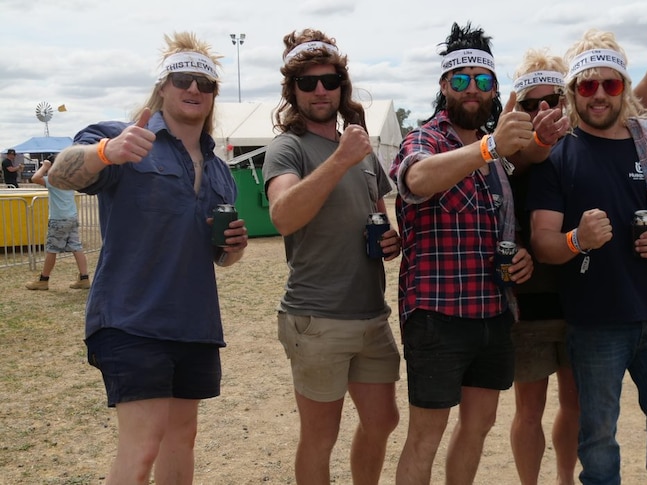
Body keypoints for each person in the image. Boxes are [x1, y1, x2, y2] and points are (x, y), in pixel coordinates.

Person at [48, 32, 248, 485]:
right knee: (142, 448)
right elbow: (60, 172)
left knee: (182, 441)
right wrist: (106, 153)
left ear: (214, 94)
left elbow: (220, 258)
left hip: (194, 324)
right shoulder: (122, 137)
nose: (193, 89)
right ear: (162, 87)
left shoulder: (220, 170)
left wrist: (233, 248)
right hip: (131, 320)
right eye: (182, 79)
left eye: (205, 82)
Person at [507, 24, 647, 485]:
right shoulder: (523, 146)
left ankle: (566, 481)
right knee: (532, 409)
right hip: (535, 290)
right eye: (530, 103)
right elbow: (511, 171)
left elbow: (636, 98)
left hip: (585, 298)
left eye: (551, 100)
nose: (542, 110)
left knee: (580, 408)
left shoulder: (591, 123)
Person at [388, 22, 536, 484]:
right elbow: (416, 179)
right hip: (437, 314)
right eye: (461, 80)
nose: (472, 89)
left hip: (494, 312)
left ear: (495, 89)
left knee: (478, 428)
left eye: (484, 80)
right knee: (425, 437)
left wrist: (523, 258)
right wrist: (490, 147)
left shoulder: (499, 153)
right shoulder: (426, 139)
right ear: (443, 86)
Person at [261, 29, 402, 485]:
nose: (319, 89)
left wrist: (391, 240)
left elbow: (378, 214)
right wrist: (340, 159)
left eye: (328, 80)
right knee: (320, 437)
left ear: (341, 85)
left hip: (369, 313)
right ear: (293, 91)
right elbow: (283, 216)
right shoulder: (290, 146)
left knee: (383, 422)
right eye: (307, 82)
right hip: (316, 316)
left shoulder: (358, 147)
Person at [24, 155, 90, 291]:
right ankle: (84, 278)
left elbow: (35, 178)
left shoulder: (54, 180)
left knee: (52, 249)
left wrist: (44, 167)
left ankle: (43, 280)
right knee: (76, 247)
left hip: (58, 219)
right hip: (72, 217)